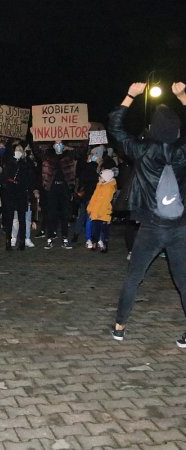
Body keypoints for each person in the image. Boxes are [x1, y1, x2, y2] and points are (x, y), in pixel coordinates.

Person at [108, 81, 186, 345]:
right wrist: (183, 97)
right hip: (179, 226)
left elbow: (116, 128)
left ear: (153, 129)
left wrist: (130, 95)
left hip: (152, 226)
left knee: (134, 277)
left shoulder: (142, 150)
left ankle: (120, 326)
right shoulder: (182, 153)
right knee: (184, 281)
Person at [86, 169, 117, 252]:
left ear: (106, 178)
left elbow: (105, 202)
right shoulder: (99, 185)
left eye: (101, 177)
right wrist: (90, 208)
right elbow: (94, 198)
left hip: (103, 213)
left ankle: (104, 245)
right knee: (95, 229)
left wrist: (100, 212)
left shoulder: (109, 188)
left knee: (104, 230)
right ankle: (94, 243)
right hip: (96, 211)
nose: (99, 178)